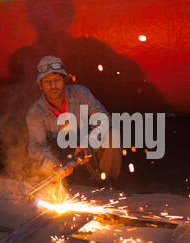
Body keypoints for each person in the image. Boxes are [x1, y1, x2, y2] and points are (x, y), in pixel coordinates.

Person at [26, 55, 122, 183]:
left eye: (57, 79)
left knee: (112, 135)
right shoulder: (35, 113)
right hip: (59, 160)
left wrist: (89, 143)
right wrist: (53, 164)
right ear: (40, 85)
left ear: (64, 80)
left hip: (85, 153)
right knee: (43, 168)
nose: (53, 85)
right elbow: (37, 148)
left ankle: (106, 182)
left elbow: (104, 119)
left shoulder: (81, 93)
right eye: (48, 81)